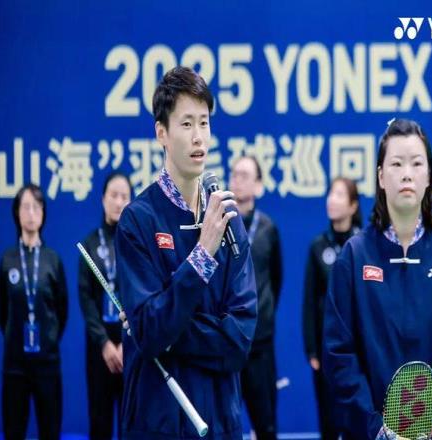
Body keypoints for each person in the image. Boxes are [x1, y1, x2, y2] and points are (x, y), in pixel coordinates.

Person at [114, 66, 257, 440]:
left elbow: (239, 341)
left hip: (221, 423)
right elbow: (150, 332)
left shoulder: (228, 219)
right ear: (161, 132)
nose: (198, 137)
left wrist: (168, 332)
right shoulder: (137, 220)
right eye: (187, 123)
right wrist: (202, 255)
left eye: (204, 123)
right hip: (157, 423)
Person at [322, 119, 432, 440]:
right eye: (396, 164)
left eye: (416, 163)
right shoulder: (354, 256)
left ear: (429, 176)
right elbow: (338, 354)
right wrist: (375, 428)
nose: (407, 173)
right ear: (381, 176)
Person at [0, 184, 68, 440]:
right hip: (15, 365)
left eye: (36, 207)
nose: (31, 213)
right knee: (14, 431)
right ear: (16, 213)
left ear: (43, 213)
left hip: (47, 364)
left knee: (50, 431)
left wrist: (48, 338)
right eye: (25, 207)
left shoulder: (52, 260)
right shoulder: (7, 260)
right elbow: (2, 311)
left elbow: (62, 310)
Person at [302, 177, 361, 439]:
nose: (331, 200)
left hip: (359, 351)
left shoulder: (364, 245)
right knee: (328, 423)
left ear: (353, 206)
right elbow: (309, 301)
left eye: (339, 195)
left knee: (357, 423)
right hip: (326, 351)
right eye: (330, 194)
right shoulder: (318, 246)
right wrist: (312, 350)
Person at [229, 156, 282, 440]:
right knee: (225, 422)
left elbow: (276, 279)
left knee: (266, 423)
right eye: (234, 174)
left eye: (245, 175)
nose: (237, 180)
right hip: (227, 340)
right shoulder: (219, 225)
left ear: (259, 185)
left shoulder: (268, 229)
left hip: (260, 342)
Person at [78, 171, 132, 439]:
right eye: (114, 195)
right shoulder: (88, 245)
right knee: (99, 422)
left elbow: (142, 296)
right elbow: (86, 299)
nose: (119, 202)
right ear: (103, 199)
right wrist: (104, 343)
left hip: (130, 346)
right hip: (100, 349)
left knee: (130, 423)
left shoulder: (136, 245)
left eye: (124, 196)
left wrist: (126, 343)